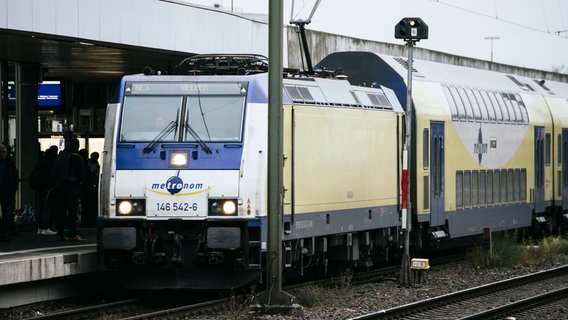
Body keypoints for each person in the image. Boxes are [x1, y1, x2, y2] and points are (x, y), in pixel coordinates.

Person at [52, 138, 87, 241]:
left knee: (60, 211)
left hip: (59, 186)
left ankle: (60, 233)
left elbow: (53, 172)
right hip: (71, 186)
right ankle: (73, 234)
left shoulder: (60, 156)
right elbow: (82, 174)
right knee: (72, 211)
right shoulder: (77, 157)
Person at [30, 146, 58, 235]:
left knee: (40, 207)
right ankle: (45, 227)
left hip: (38, 188)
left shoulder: (40, 163)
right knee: (47, 207)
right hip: (47, 189)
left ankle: (40, 228)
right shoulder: (51, 164)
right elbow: (52, 177)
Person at [0, 144, 19, 241]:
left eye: (3, 152)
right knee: (6, 213)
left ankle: (4, 233)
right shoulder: (9, 164)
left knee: (7, 214)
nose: (2, 154)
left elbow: (14, 179)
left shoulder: (10, 165)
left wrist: (13, 190)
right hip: (5, 191)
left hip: (6, 192)